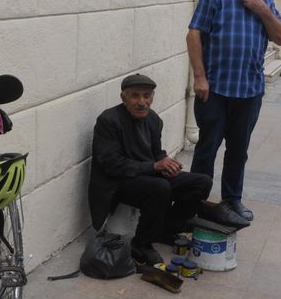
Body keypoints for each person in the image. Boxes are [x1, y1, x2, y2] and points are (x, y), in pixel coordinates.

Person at [186, 0, 281, 224]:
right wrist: (199, 77)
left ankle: (232, 200)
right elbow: (194, 34)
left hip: (249, 91)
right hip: (215, 90)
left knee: (238, 151)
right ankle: (197, 201)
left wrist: (263, 10)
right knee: (207, 148)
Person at [88, 74, 212, 267]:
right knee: (160, 187)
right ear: (123, 98)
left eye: (147, 96)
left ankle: (166, 229)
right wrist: (153, 166)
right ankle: (141, 244)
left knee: (201, 182)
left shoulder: (153, 120)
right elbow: (110, 164)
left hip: (146, 174)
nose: (142, 102)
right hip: (116, 182)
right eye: (135, 96)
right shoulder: (108, 120)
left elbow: (157, 153)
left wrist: (166, 161)